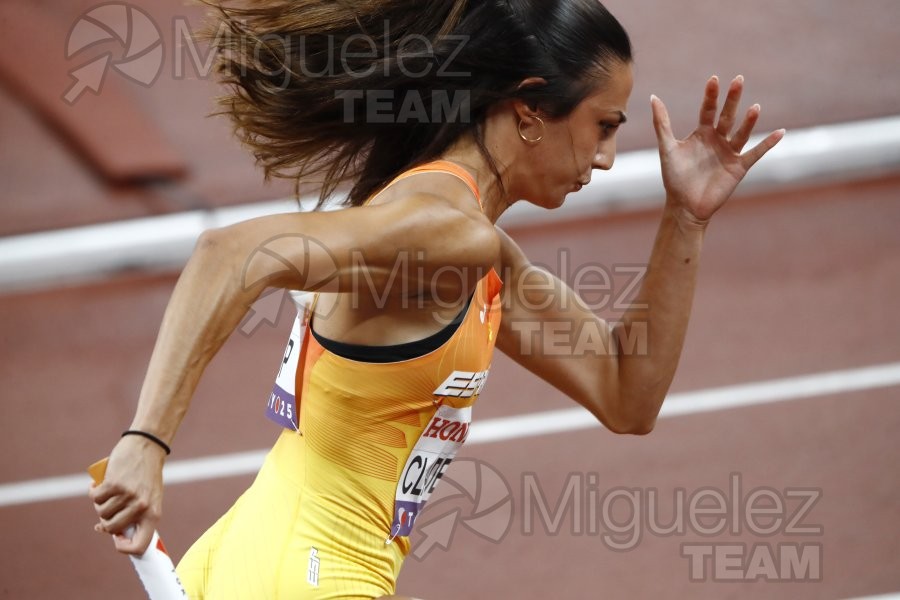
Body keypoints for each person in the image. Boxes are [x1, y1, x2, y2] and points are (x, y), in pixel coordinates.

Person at [89, 0, 784, 598]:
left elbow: (627, 391)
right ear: (532, 110)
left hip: (251, 556)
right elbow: (229, 255)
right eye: (604, 126)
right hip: (311, 575)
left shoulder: (475, 249)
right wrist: (145, 443)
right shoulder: (448, 233)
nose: (604, 159)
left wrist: (684, 217)